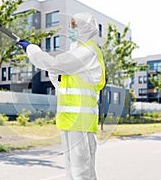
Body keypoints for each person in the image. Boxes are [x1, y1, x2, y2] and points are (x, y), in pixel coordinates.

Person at [17, 12, 106, 180]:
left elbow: (55, 64)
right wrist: (52, 70)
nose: (71, 28)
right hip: (69, 120)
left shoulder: (88, 52)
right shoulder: (78, 54)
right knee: (72, 172)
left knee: (82, 173)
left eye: (74, 25)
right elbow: (59, 79)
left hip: (81, 122)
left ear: (85, 28)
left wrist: (32, 50)